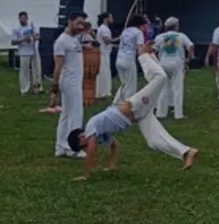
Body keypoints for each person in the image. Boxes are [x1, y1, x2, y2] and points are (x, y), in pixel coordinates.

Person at [66, 43, 199, 180]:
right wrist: (111, 166)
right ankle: (187, 152)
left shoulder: (91, 127)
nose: (87, 148)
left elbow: (92, 151)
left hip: (135, 106)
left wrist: (86, 175)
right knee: (153, 141)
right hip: (140, 116)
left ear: (81, 137)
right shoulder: (100, 134)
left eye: (83, 146)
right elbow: (115, 146)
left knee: (160, 78)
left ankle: (143, 55)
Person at [53, 12, 88, 158]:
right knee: (75, 114)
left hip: (75, 80)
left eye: (83, 24)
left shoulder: (74, 39)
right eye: (78, 23)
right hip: (69, 81)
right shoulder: (62, 41)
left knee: (66, 114)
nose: (81, 27)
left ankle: (61, 146)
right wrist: (54, 87)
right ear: (70, 21)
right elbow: (58, 65)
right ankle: (72, 148)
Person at [153, 17, 194, 120]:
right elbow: (190, 46)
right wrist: (188, 59)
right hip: (177, 63)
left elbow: (153, 49)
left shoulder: (160, 37)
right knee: (177, 89)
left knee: (163, 88)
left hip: (163, 64)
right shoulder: (181, 36)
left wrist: (156, 60)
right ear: (176, 26)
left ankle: (160, 113)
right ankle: (178, 114)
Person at [113, 15, 145, 105]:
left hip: (119, 59)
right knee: (131, 85)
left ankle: (117, 103)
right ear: (140, 24)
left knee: (124, 84)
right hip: (128, 60)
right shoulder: (138, 33)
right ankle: (127, 106)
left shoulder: (125, 31)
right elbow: (140, 49)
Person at [11, 11, 42, 95]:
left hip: (33, 50)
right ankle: (24, 89)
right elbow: (13, 42)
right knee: (24, 71)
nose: (23, 20)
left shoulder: (31, 26)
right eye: (21, 18)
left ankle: (38, 87)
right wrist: (23, 39)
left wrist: (36, 37)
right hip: (24, 52)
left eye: (24, 18)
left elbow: (36, 35)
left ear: (27, 18)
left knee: (37, 70)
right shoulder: (16, 29)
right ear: (19, 19)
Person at [95, 12, 116, 100]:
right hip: (102, 53)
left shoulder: (105, 28)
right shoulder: (103, 29)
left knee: (106, 72)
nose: (112, 19)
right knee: (102, 73)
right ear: (105, 19)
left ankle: (105, 91)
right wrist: (119, 38)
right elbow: (107, 41)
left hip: (106, 53)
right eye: (110, 18)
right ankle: (101, 92)